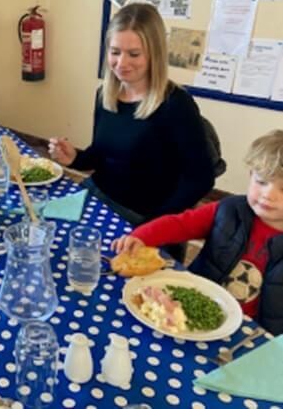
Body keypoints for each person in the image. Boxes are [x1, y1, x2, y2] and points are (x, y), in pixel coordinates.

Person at [49, 3, 215, 228]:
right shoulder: (105, 94)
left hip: (143, 214)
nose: (121, 63)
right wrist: (75, 158)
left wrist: (156, 224)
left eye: (134, 54)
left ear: (154, 54)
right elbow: (101, 154)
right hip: (100, 195)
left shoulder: (175, 105)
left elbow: (200, 179)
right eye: (115, 52)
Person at [112, 130, 283, 335]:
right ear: (250, 175)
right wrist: (142, 236)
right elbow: (180, 224)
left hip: (256, 335)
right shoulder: (229, 210)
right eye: (261, 182)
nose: (267, 195)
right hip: (193, 309)